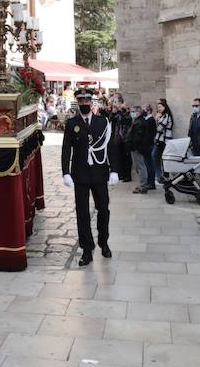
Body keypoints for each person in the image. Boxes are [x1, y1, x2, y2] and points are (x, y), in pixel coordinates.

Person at [61, 90, 117, 267]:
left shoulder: (103, 122)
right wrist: (66, 172)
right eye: (81, 100)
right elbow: (66, 149)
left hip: (99, 173)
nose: (84, 102)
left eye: (87, 99)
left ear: (91, 102)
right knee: (82, 213)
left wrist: (114, 170)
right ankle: (86, 248)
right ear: (77, 102)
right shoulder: (72, 123)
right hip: (81, 174)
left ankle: (104, 242)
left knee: (103, 209)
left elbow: (111, 147)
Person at [129, 105, 156, 193]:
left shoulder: (139, 122)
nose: (131, 113)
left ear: (138, 112)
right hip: (138, 147)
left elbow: (138, 137)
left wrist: (133, 146)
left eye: (133, 112)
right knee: (139, 166)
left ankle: (143, 185)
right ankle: (143, 184)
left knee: (141, 167)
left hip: (138, 148)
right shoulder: (139, 121)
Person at [152, 99, 172, 186]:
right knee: (156, 157)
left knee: (160, 158)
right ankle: (159, 176)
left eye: (160, 107)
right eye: (158, 107)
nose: (159, 108)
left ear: (165, 107)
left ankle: (162, 177)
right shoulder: (161, 116)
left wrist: (156, 119)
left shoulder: (166, 116)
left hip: (164, 141)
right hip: (159, 140)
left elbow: (159, 129)